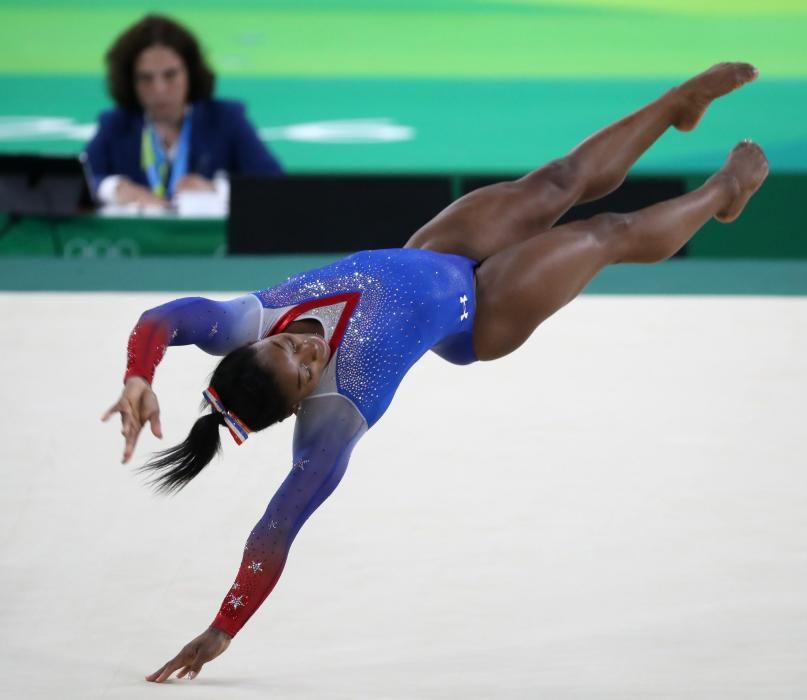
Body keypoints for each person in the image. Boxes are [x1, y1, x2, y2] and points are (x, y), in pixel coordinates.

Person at [103, 62, 768, 682]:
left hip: (436, 250)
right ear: (305, 400)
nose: (308, 353)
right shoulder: (333, 422)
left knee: (558, 180)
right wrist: (224, 627)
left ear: (252, 344)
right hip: (481, 313)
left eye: (288, 351)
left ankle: (677, 105)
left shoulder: (247, 317)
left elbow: (166, 318)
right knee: (604, 234)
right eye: (305, 372)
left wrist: (139, 375)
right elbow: (274, 529)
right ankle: (723, 192)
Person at [84, 14, 282, 210]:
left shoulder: (225, 119)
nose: (159, 88)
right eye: (146, 78)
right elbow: (80, 180)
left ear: (191, 73)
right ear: (130, 81)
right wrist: (114, 188)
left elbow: (274, 183)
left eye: (170, 75)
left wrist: (216, 189)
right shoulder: (116, 124)